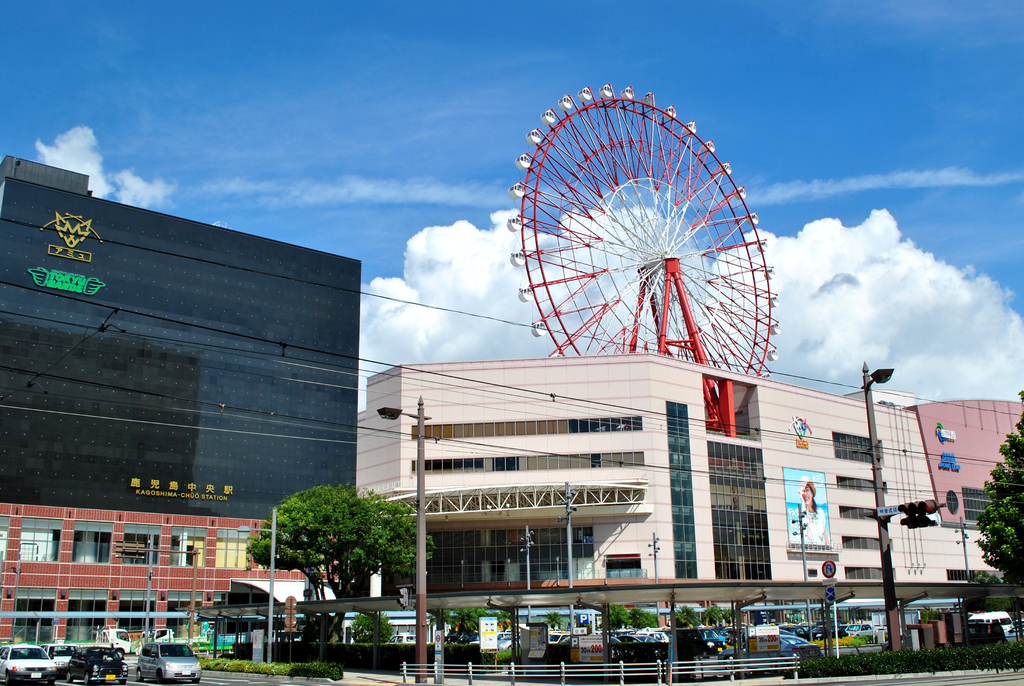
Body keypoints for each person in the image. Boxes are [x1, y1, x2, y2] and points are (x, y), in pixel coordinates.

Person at [798, 477, 830, 547]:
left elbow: (825, 533)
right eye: (803, 491)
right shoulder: (802, 513)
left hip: (822, 550)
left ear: (812, 493)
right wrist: (803, 503)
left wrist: (829, 548)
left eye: (807, 490)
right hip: (809, 550)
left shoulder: (820, 512)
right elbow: (805, 533)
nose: (805, 494)